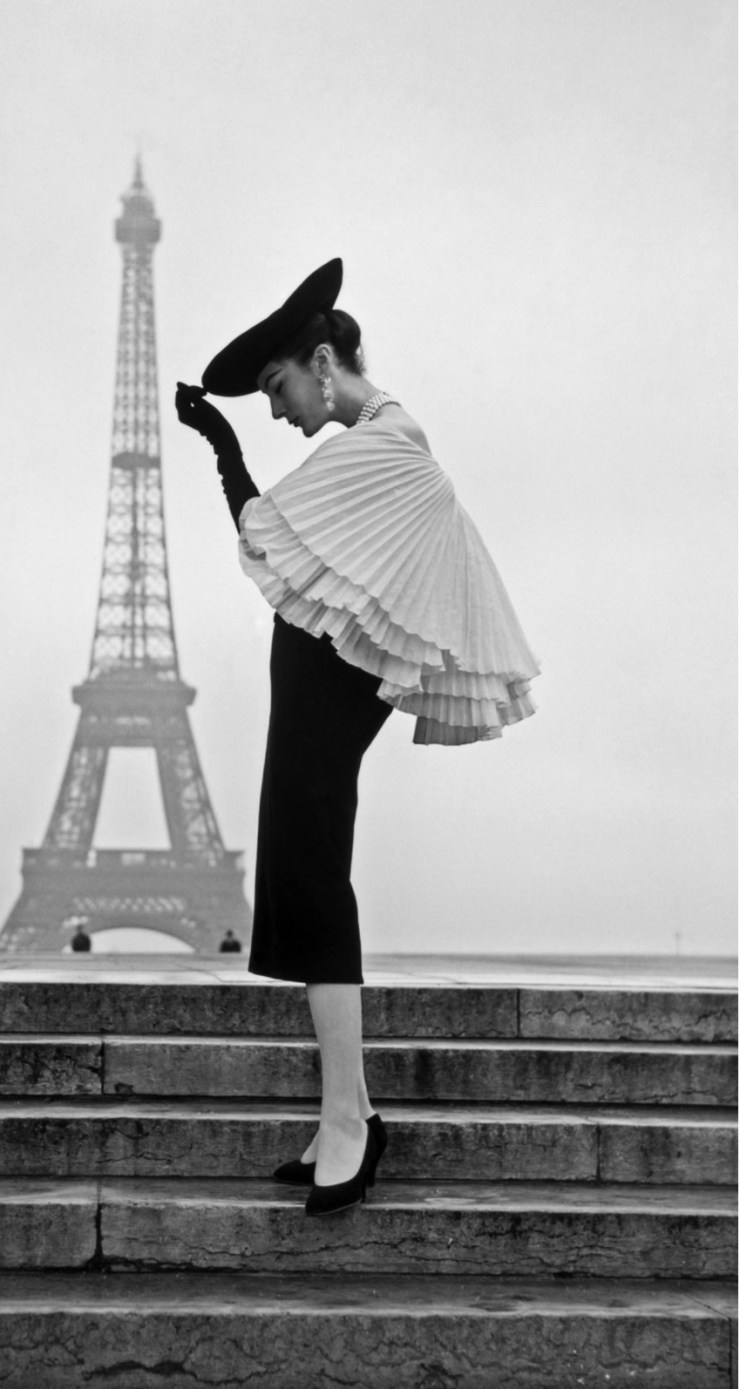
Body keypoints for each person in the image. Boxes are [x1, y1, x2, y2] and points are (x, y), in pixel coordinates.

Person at [175, 258, 538, 1217]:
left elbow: (267, 531)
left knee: (312, 861)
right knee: (301, 862)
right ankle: (352, 1109)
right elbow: (295, 543)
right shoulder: (382, 441)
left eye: (278, 386)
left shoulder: (387, 444)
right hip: (320, 664)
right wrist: (225, 447)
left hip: (328, 671)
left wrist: (222, 450)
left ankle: (347, 1117)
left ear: (324, 362)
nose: (277, 409)